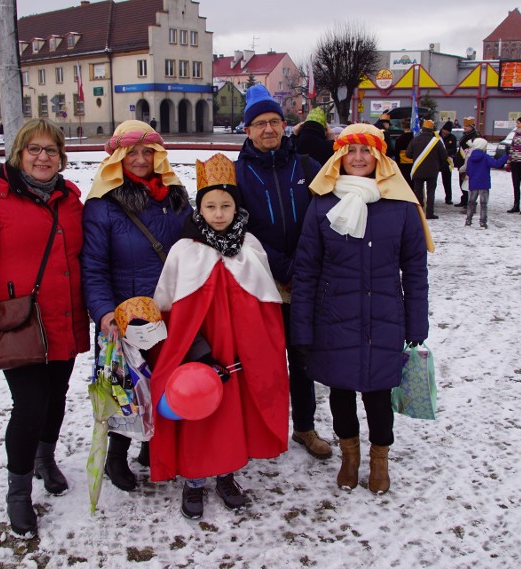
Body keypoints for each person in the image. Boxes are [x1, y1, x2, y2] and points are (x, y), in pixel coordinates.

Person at [0, 118, 90, 538]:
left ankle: (46, 458)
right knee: (29, 405)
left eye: (51, 150)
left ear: (62, 157)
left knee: (57, 397)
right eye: (35, 150)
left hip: (63, 318)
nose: (43, 157)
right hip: (20, 324)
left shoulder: (71, 201)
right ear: (19, 154)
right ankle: (18, 490)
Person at [291, 124, 433, 494]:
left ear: (379, 157)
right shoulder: (322, 204)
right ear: (338, 156)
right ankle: (350, 457)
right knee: (341, 393)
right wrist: (302, 328)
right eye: (350, 150)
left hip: (385, 317)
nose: (357, 157)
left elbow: (415, 268)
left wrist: (417, 321)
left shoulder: (401, 207)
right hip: (334, 317)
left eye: (365, 151)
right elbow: (306, 270)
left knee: (378, 394)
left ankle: (379, 459)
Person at [150, 153, 290, 519]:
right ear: (200, 207)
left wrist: (258, 351)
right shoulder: (185, 251)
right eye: (210, 205)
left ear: (236, 207)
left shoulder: (251, 247)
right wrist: (197, 353)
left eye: (226, 205)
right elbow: (173, 312)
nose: (218, 213)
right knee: (200, 414)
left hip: (240, 359)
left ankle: (227, 475)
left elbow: (265, 306)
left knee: (233, 416)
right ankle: (194, 480)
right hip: (200, 357)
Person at [81, 120, 192, 492]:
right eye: (133, 152)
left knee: (162, 382)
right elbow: (93, 268)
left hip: (171, 309)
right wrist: (104, 312)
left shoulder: (175, 196)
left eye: (149, 152)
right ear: (118, 157)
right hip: (127, 315)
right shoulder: (102, 205)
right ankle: (117, 454)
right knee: (125, 388)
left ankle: (154, 447)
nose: (141, 159)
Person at [233, 84, 332, 460]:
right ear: (248, 130)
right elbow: (235, 227)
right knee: (259, 361)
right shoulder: (237, 174)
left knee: (302, 358)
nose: (268, 129)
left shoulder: (307, 166)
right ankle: (256, 427)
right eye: (259, 123)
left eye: (274, 121)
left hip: (305, 280)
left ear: (286, 124)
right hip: (259, 281)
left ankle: (304, 428)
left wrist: (303, 266)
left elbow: (326, 218)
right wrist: (279, 264)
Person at [406, 118, 449, 219]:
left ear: (422, 128)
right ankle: (429, 213)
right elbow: (444, 156)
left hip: (418, 170)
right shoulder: (436, 141)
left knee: (417, 192)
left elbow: (408, 154)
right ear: (432, 130)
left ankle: (419, 213)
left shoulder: (415, 140)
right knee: (431, 192)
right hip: (432, 171)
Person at [462, 138, 507, 229]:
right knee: (483, 204)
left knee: (471, 202)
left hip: (473, 183)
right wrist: (506, 156)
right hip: (484, 183)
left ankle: (468, 221)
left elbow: (468, 171)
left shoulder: (470, 157)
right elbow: (496, 164)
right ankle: (482, 222)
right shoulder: (485, 157)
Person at [453, 117, 480, 207]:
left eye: (467, 126)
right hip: (462, 162)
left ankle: (471, 201)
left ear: (472, 127)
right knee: (462, 182)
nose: (464, 127)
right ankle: (464, 199)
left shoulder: (475, 136)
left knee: (468, 183)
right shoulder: (465, 135)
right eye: (464, 126)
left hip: (470, 163)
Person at [438, 121, 458, 205]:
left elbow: (454, 150)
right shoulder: (436, 136)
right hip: (436, 161)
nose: (445, 135)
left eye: (447, 134)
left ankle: (448, 198)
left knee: (447, 181)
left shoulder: (452, 138)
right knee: (432, 181)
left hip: (447, 161)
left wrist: (445, 152)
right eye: (444, 133)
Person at [393, 117, 415, 186]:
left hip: (403, 163)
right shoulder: (415, 138)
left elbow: (397, 153)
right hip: (413, 162)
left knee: (405, 182)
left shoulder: (399, 138)